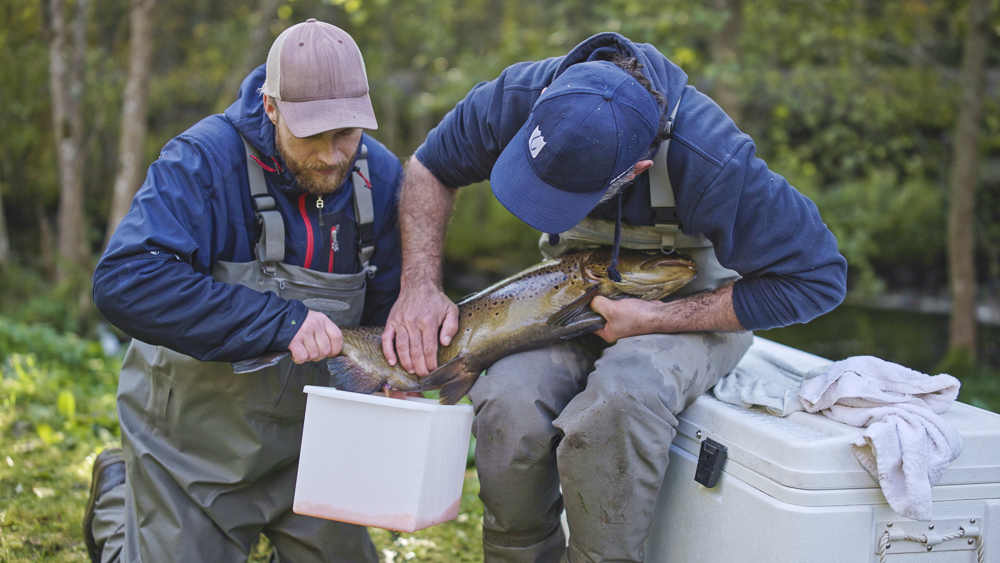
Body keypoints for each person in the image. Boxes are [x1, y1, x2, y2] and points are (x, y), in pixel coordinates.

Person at [382, 33, 848, 562]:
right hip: (569, 298)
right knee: (507, 400)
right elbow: (429, 166)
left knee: (620, 398)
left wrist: (658, 317)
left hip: (688, 306)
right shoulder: (516, 96)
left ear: (637, 171)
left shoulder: (714, 160)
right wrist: (419, 284)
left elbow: (818, 279)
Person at [83, 19, 401, 563]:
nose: (331, 156)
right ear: (271, 107)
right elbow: (125, 280)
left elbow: (385, 314)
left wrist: (396, 384)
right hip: (194, 449)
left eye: (345, 134)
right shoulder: (201, 160)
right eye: (312, 136)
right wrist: (281, 322)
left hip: (313, 449)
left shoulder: (383, 179)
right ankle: (119, 499)